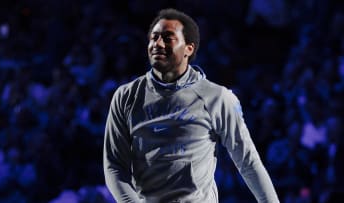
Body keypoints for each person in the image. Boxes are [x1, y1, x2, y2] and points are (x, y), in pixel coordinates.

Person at [103, 8, 279, 203]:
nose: (157, 44)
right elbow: (114, 167)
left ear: (189, 48)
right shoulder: (126, 96)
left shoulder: (217, 98)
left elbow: (248, 162)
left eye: (168, 38)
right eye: (154, 38)